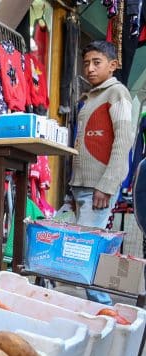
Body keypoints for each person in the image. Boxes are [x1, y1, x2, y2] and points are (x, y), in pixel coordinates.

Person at [70, 40, 134, 304]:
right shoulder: (91, 96)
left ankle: (103, 311)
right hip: (82, 185)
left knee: (87, 253)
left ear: (113, 65)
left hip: (98, 187)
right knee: (83, 252)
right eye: (86, 63)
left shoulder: (117, 93)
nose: (90, 68)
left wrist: (108, 184)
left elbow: (123, 141)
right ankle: (95, 309)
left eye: (97, 63)